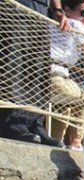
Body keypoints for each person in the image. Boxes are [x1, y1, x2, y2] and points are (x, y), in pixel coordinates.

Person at [0, 0, 67, 147]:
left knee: (38, 67)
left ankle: (34, 123)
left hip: (41, 9)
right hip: (15, 5)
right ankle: (12, 123)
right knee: (15, 63)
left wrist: (57, 9)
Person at [49, 0, 84, 151]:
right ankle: (76, 143)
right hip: (55, 75)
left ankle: (58, 141)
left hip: (43, 73)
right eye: (83, 13)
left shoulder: (50, 22)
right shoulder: (75, 25)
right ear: (67, 10)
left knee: (65, 105)